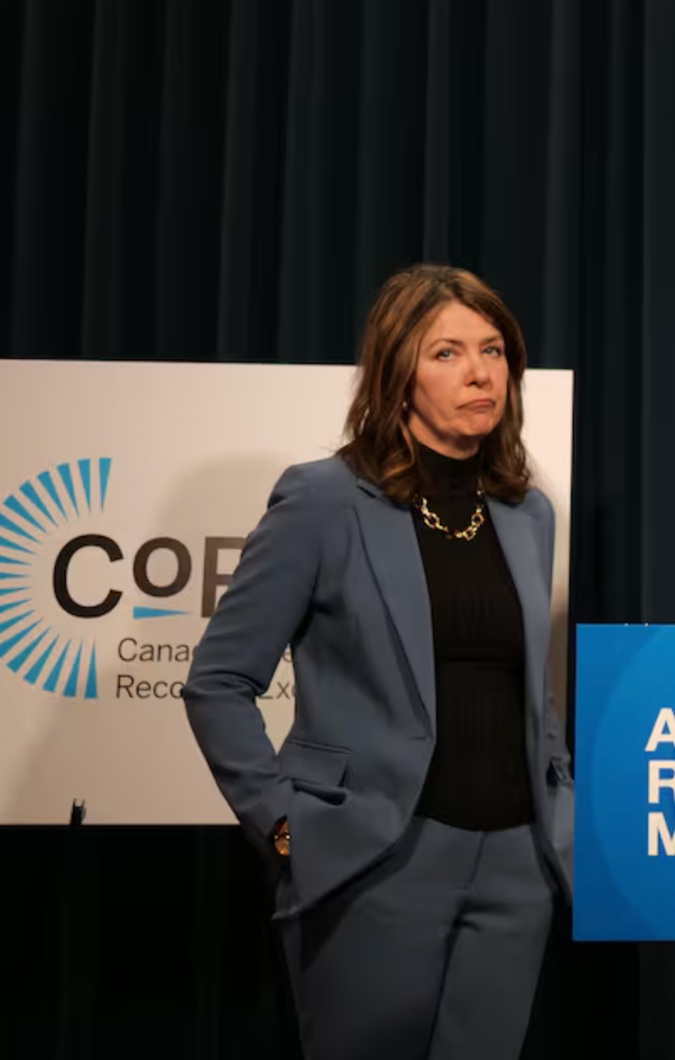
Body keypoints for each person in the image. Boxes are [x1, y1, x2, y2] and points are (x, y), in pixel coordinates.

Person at [183, 264, 572, 1060]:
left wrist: (559, 805)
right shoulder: (325, 501)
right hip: (375, 859)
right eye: (447, 353)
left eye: (493, 350)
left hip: (516, 870)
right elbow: (218, 682)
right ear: (398, 375)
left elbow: (529, 688)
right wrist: (284, 824)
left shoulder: (526, 511)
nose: (479, 373)